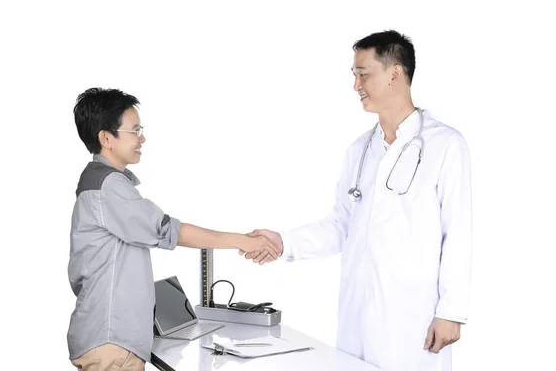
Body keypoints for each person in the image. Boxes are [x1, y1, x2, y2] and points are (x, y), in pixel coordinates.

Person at [242, 30, 472, 371]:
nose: (356, 85)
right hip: (358, 315)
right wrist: (283, 242)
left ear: (395, 73)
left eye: (363, 74)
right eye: (354, 75)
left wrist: (451, 312)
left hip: (414, 318)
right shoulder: (360, 151)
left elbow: (458, 233)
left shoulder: (445, 146)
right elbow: (340, 225)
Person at [68, 87, 280, 371]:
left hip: (109, 338)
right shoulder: (109, 186)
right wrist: (245, 241)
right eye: (134, 130)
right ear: (106, 137)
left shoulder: (99, 183)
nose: (142, 138)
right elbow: (169, 231)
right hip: (112, 343)